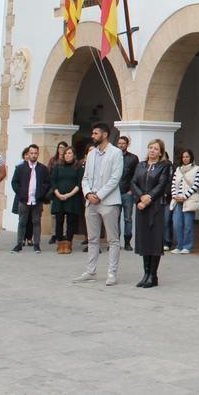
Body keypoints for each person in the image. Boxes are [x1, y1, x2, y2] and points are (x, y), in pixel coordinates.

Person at [74, 123, 125, 286]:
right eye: (93, 132)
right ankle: (90, 271)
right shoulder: (92, 154)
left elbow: (115, 178)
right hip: (91, 201)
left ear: (105, 135)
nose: (93, 135)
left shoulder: (116, 153)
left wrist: (100, 195)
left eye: (96, 133)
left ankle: (112, 273)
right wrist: (88, 193)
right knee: (92, 238)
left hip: (109, 201)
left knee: (113, 239)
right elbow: (85, 177)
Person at [132, 139, 172, 287]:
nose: (152, 151)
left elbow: (162, 185)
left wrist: (148, 198)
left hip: (156, 206)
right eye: (150, 148)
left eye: (156, 149)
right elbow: (134, 182)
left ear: (160, 152)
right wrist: (141, 197)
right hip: (142, 206)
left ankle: (153, 275)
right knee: (144, 240)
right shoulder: (141, 165)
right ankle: (146, 273)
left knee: (154, 241)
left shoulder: (164, 166)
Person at [10, 144, 50, 253]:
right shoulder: (20, 168)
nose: (33, 155)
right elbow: (14, 182)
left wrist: (41, 194)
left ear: (38, 154)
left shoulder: (43, 169)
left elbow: (47, 183)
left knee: (36, 222)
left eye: (35, 153)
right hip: (24, 200)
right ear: (28, 154)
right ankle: (19, 244)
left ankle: (36, 244)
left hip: (37, 200)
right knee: (22, 222)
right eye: (31, 153)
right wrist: (21, 193)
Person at [50, 147, 83, 253]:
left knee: (70, 222)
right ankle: (60, 244)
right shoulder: (57, 167)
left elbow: (79, 183)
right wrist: (58, 193)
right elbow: (53, 181)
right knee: (59, 221)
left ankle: (68, 243)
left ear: (74, 155)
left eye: (70, 153)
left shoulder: (78, 168)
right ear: (63, 155)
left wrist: (69, 194)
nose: (68, 155)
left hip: (73, 197)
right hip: (59, 197)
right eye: (66, 153)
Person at [169, 149, 199, 254]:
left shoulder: (198, 169)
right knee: (177, 224)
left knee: (188, 224)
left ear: (191, 157)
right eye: (183, 157)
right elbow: (174, 183)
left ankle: (187, 246)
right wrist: (175, 195)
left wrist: (184, 196)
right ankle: (179, 245)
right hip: (177, 200)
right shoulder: (178, 169)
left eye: (187, 156)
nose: (185, 159)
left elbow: (196, 185)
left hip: (189, 200)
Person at [116, 135, 139, 252]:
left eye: (123, 143)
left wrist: (132, 190)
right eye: (119, 143)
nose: (121, 145)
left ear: (127, 144)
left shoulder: (133, 158)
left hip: (127, 193)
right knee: (115, 218)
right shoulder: (112, 157)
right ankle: (115, 242)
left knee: (128, 218)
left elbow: (136, 176)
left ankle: (127, 242)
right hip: (114, 193)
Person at [47, 140, 70, 244]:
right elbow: (48, 174)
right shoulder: (53, 160)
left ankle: (64, 233)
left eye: (63, 148)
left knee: (65, 215)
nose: (61, 150)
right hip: (55, 190)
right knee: (54, 214)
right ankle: (54, 234)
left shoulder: (70, 161)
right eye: (59, 147)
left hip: (66, 191)